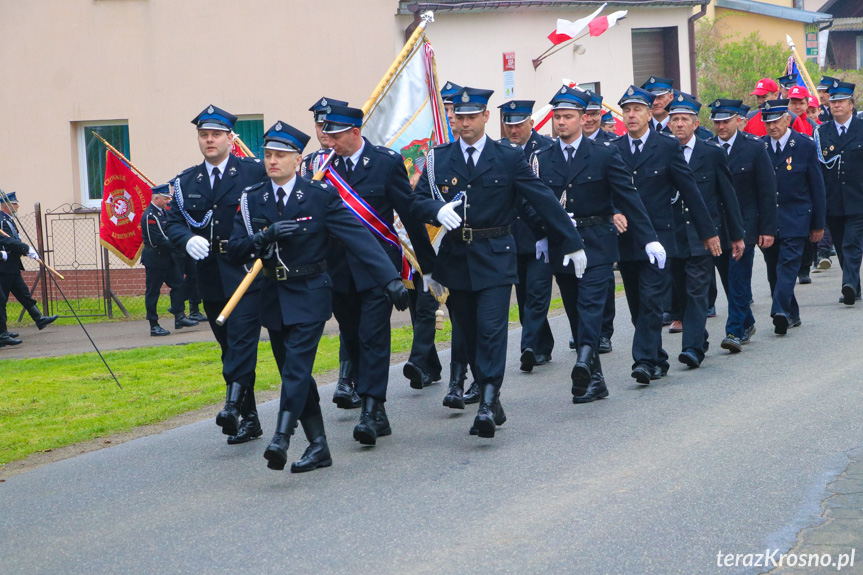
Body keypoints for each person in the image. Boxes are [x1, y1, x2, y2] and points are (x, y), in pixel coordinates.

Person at [228, 121, 406, 472]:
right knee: (293, 374)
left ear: (298, 159)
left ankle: (281, 435)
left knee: (296, 367)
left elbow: (358, 236)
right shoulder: (252, 199)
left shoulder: (318, 195)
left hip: (310, 294)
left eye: (281, 155)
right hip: (274, 296)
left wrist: (390, 279)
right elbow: (235, 250)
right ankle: (319, 445)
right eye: (268, 155)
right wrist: (264, 237)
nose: (272, 161)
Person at [413, 86, 585, 437]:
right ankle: (490, 394)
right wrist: (436, 208)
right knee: (471, 332)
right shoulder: (437, 159)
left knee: (492, 330)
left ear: (486, 117)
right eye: (459, 116)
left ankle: (489, 400)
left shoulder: (506, 156)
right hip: (456, 259)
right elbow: (415, 202)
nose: (464, 123)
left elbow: (540, 198)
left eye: (471, 116)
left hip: (494, 256)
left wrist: (572, 242)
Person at [532, 86, 657, 403]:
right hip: (563, 244)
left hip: (598, 243)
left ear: (582, 118)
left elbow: (628, 197)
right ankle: (595, 379)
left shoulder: (604, 153)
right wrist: (542, 233)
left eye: (568, 116)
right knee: (574, 309)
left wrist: (649, 238)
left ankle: (584, 359)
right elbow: (532, 202)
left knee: (590, 306)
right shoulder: (542, 159)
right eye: (557, 116)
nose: (561, 122)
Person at [319, 103, 427, 446]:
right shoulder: (319, 167)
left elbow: (408, 213)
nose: (329, 140)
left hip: (379, 269)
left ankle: (369, 408)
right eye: (326, 134)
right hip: (337, 269)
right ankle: (376, 408)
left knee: (373, 337)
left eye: (335, 135)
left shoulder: (385, 162)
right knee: (352, 338)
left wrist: (428, 264)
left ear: (354, 132)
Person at [165, 105, 268, 444]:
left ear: (230, 138)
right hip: (208, 276)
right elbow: (173, 222)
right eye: (203, 135)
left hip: (245, 272)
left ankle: (231, 407)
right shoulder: (185, 181)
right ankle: (250, 418)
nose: (209, 140)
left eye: (215, 135)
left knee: (241, 341)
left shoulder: (254, 172)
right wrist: (187, 238)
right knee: (227, 346)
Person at [610, 86, 719, 383]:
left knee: (650, 301)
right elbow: (603, 192)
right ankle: (657, 357)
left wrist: (707, 233)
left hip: (659, 239)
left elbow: (689, 190)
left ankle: (643, 361)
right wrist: (612, 211)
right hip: (626, 239)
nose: (632, 115)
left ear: (649, 113)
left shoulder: (667, 146)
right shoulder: (613, 149)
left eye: (637, 110)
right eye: (627, 110)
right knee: (636, 306)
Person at [667, 94, 745, 367]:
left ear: (695, 123)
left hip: (703, 235)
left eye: (684, 119)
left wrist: (736, 235)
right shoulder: (662, 152)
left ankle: (691, 348)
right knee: (681, 291)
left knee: (697, 290)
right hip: (672, 235)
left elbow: (728, 196)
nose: (679, 124)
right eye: (674, 119)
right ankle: (698, 337)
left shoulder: (711, 153)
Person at [708, 99, 777, 352]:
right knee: (728, 279)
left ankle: (734, 331)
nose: (721, 126)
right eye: (716, 121)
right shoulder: (708, 148)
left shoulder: (754, 148)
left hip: (746, 225)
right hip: (718, 227)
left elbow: (767, 191)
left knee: (738, 278)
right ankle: (747, 322)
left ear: (738, 120)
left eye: (725, 121)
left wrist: (768, 229)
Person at [497, 99, 555, 372]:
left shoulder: (546, 148)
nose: (514, 129)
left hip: (540, 233)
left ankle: (528, 347)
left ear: (531, 122)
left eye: (519, 123)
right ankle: (542, 344)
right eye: (509, 124)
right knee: (523, 298)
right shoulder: (498, 151)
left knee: (537, 292)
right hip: (512, 235)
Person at [760, 99, 826, 333]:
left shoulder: (805, 145)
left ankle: (779, 309)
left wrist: (818, 224)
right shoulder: (761, 147)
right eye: (767, 122)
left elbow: (817, 187)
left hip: (797, 217)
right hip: (769, 220)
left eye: (776, 121)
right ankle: (792, 314)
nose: (772, 126)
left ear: (788, 119)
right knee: (772, 268)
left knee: (788, 265)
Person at [817, 80, 863, 306]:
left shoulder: (861, 129)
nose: (836, 105)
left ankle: (848, 284)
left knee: (851, 243)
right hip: (832, 199)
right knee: (841, 242)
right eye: (833, 101)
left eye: (841, 101)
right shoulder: (821, 133)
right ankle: (854, 284)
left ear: (851, 105)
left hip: (858, 198)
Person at [0, 191, 58, 344]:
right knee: (2, 300)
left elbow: (13, 240)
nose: (17, 206)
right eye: (14, 204)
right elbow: (7, 241)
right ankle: (2, 333)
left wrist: (26, 251)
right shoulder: (1, 220)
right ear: (7, 205)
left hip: (13, 265)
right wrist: (25, 248)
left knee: (23, 293)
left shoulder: (8, 219)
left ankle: (39, 319)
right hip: (4, 267)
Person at [140, 184, 198, 336]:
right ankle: (154, 324)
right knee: (153, 292)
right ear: (156, 198)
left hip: (168, 258)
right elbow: (157, 240)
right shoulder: (150, 216)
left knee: (178, 284)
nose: (168, 202)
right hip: (155, 259)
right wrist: (180, 246)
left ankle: (179, 316)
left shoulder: (163, 213)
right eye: (165, 199)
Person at [300, 96, 348, 178]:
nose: (324, 130)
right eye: (320, 125)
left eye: (329, 126)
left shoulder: (349, 158)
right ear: (315, 127)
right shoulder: (308, 161)